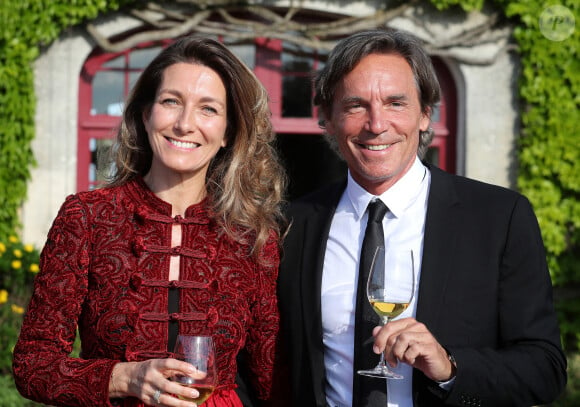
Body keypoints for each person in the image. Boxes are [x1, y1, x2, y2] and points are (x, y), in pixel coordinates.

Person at [277, 28, 567, 407]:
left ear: (425, 115)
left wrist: (450, 367)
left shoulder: (499, 218)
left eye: (396, 103)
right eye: (355, 106)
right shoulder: (294, 225)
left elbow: (545, 370)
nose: (377, 124)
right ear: (328, 120)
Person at [13, 35, 288, 407]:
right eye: (171, 102)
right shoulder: (87, 217)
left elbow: (272, 378)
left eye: (208, 109)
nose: (185, 124)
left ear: (228, 133)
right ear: (146, 115)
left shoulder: (252, 237)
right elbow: (33, 364)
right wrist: (121, 377)